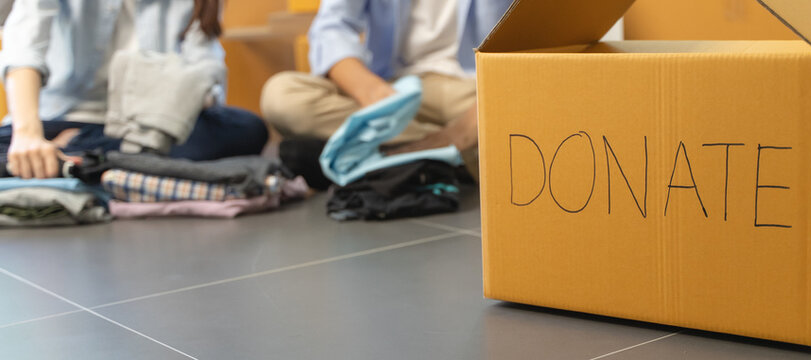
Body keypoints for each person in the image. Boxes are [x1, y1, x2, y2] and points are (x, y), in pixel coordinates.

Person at [0, 0, 270, 179]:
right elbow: (24, 46)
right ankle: (110, 161)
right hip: (58, 119)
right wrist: (27, 135)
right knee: (17, 146)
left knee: (248, 128)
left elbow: (205, 71)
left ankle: (77, 152)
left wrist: (186, 96)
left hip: (144, 127)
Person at [260, 0, 513, 177]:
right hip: (395, 89)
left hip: (481, 91)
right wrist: (374, 94)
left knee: (532, 104)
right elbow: (332, 27)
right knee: (282, 96)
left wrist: (464, 130)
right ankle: (463, 156)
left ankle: (392, 154)